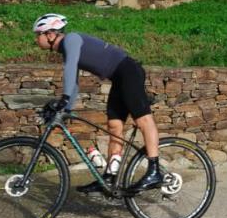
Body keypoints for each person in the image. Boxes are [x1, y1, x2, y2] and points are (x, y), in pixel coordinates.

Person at [33, 13, 162, 194]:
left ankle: (154, 171)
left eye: (37, 34)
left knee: (143, 120)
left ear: (50, 34)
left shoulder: (71, 39)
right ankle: (109, 177)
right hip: (118, 77)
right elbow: (75, 80)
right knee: (114, 126)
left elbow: (70, 69)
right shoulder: (66, 48)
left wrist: (64, 98)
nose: (36, 39)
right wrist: (66, 107)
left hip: (128, 71)